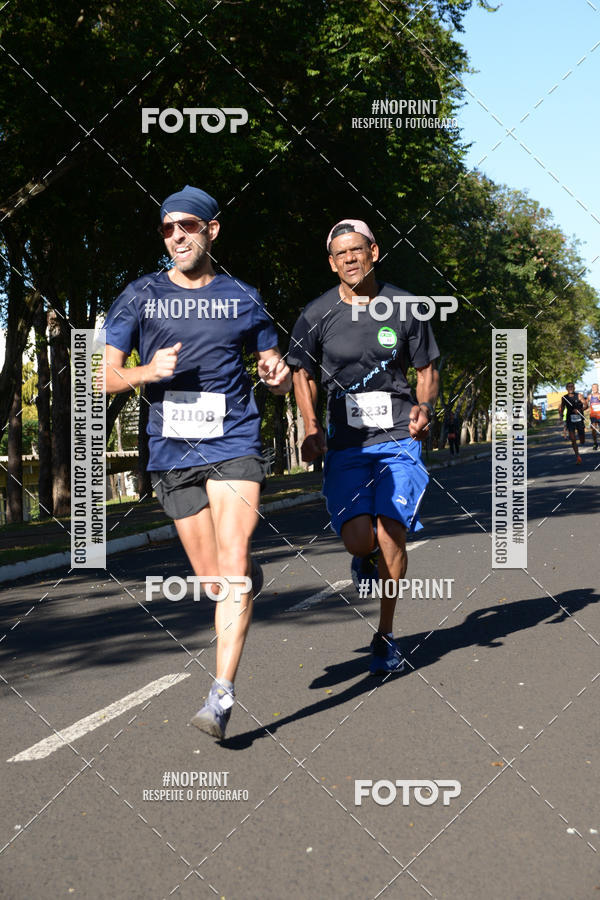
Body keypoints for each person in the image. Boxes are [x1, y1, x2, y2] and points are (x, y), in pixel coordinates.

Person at [102, 185, 291, 739]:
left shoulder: (243, 297)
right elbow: (99, 376)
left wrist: (276, 378)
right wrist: (145, 373)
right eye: (167, 228)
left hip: (233, 440)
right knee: (216, 583)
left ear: (212, 230)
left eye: (188, 225)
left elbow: (271, 365)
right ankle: (242, 581)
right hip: (172, 451)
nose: (177, 236)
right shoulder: (139, 296)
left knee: (231, 566)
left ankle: (221, 694)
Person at [288, 219, 439, 675]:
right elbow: (301, 371)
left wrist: (425, 407)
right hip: (347, 443)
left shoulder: (407, 306)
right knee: (359, 540)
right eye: (341, 254)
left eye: (357, 250)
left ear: (374, 251)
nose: (350, 259)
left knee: (391, 531)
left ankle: (386, 635)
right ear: (331, 262)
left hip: (397, 437)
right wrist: (311, 426)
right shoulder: (316, 315)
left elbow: (426, 367)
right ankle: (366, 557)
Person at [559, 382, 587, 464]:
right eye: (569, 387)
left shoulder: (579, 396)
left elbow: (586, 405)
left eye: (572, 386)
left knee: (582, 440)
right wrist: (561, 415)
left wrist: (580, 410)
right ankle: (578, 457)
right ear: (566, 388)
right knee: (573, 439)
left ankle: (582, 439)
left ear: (574, 387)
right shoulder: (564, 398)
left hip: (579, 419)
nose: (570, 388)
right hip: (570, 419)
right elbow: (562, 407)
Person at [588, 383, 600, 450]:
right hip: (593, 415)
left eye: (595, 387)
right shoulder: (590, 396)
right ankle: (595, 443)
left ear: (598, 388)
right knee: (593, 430)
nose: (594, 389)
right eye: (593, 387)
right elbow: (586, 405)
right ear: (592, 388)